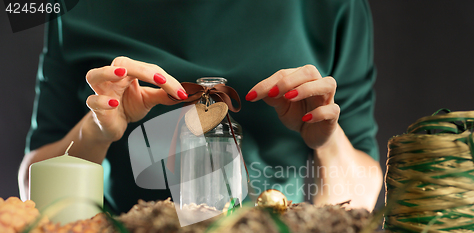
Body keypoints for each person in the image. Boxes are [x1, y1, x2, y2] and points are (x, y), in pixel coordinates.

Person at [19, 0, 382, 214]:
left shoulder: (336, 7)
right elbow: (33, 193)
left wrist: (327, 142)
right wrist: (95, 132)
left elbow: (361, 196)